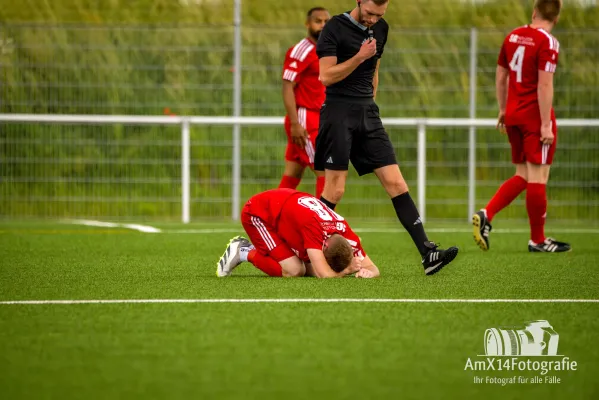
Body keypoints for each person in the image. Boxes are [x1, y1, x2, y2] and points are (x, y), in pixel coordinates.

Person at [314, 0, 458, 275]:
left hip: (367, 113)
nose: (372, 19)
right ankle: (305, 245)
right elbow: (325, 76)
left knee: (395, 181)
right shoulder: (334, 27)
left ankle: (428, 253)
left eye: (379, 14)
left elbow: (375, 69)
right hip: (338, 112)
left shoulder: (382, 28)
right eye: (369, 13)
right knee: (335, 190)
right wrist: (359, 56)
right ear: (359, 2)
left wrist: (370, 102)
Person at [472, 0, 571, 253]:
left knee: (523, 175)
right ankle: (537, 240)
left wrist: (503, 109)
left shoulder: (513, 35)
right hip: (535, 117)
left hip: (513, 114)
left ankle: (487, 213)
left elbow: (501, 74)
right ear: (556, 18)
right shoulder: (547, 42)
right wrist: (546, 125)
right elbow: (544, 85)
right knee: (539, 177)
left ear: (534, 11)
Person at [216, 188, 379, 278]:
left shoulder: (348, 235)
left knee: (308, 268)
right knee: (294, 270)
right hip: (259, 213)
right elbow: (324, 275)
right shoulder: (314, 229)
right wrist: (347, 270)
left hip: (285, 210)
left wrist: (368, 272)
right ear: (325, 244)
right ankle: (243, 251)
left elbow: (374, 268)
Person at [279, 7, 330, 198]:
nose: (323, 25)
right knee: (326, 171)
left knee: (292, 174)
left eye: (326, 21)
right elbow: (287, 86)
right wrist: (295, 123)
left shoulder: (327, 50)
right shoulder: (302, 50)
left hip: (319, 119)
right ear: (307, 24)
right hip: (305, 119)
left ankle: (271, 219)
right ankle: (323, 224)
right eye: (318, 21)